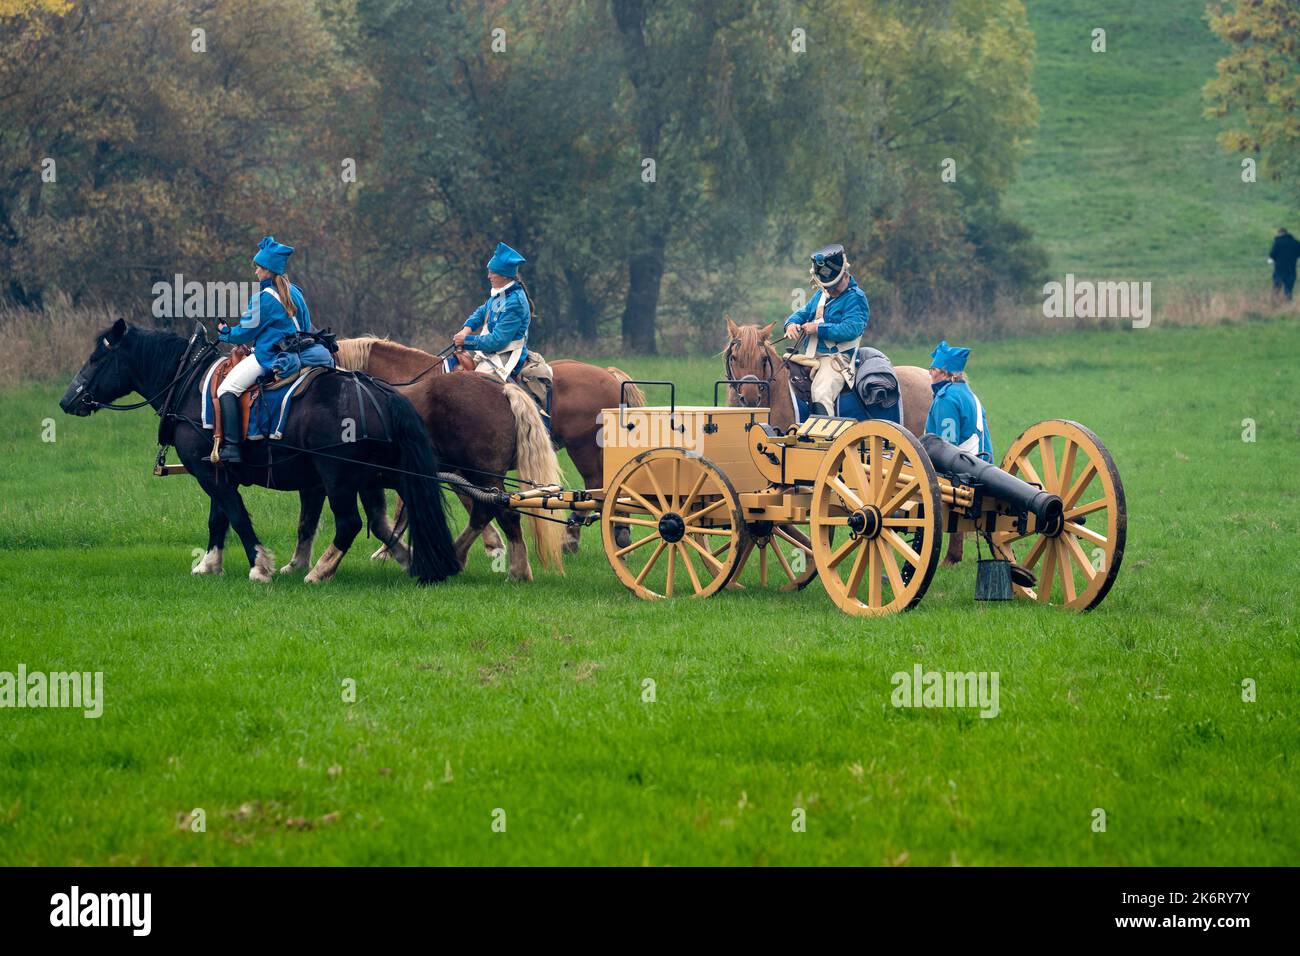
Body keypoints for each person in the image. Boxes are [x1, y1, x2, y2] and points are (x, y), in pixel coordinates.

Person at [215, 236, 331, 463]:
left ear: (268, 270)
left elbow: (245, 332)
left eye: (258, 267)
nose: (256, 272)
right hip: (304, 352)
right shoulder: (295, 291)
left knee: (226, 390)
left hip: (271, 356)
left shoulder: (263, 298)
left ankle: (232, 448)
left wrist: (225, 332)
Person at [452, 242, 552, 408]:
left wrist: (466, 341)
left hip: (507, 354)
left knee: (474, 388)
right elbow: (481, 312)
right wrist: (466, 329)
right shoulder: (500, 294)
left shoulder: (515, 302)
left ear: (504, 276)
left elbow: (498, 341)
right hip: (491, 352)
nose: (489, 276)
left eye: (492, 273)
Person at [783, 243, 868, 416]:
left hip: (837, 359)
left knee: (822, 393)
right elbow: (803, 312)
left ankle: (826, 439)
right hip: (811, 356)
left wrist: (818, 329)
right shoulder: (822, 294)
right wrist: (791, 324)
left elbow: (851, 329)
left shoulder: (856, 298)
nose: (830, 290)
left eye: (833, 285)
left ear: (844, 274)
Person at [924, 340, 992, 461]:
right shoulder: (967, 393)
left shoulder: (946, 398)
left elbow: (946, 447)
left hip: (964, 470)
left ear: (945, 374)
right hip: (982, 463)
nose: (930, 374)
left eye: (933, 369)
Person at [1268, 227, 1300, 301]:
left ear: (1280, 233)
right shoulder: (1296, 242)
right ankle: (1288, 302)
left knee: (1277, 285)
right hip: (1291, 268)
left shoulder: (1278, 242)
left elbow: (1272, 254)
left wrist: (1272, 259)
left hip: (1279, 268)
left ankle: (1274, 301)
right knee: (1288, 288)